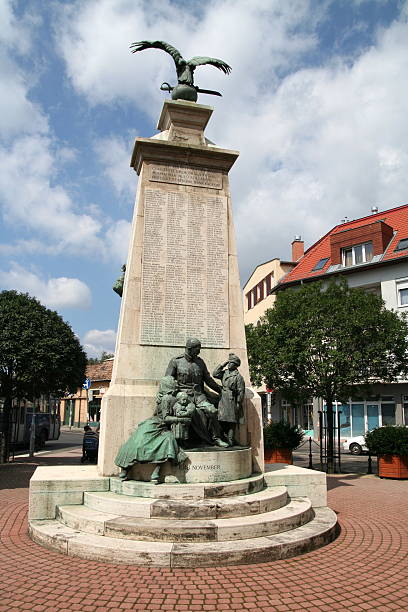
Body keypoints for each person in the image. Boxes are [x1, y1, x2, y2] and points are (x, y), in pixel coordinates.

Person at [114, 376, 187, 483]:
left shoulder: (169, 398)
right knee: (136, 444)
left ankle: (155, 473)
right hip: (155, 424)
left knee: (167, 442)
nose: (176, 384)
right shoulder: (166, 398)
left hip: (160, 427)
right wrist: (181, 419)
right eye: (173, 383)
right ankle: (126, 469)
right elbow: (165, 417)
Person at [165, 338, 228, 447]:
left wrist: (221, 389)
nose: (199, 351)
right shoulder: (176, 361)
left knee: (212, 411)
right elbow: (167, 381)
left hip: (199, 396)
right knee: (188, 412)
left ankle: (216, 438)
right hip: (183, 396)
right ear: (189, 349)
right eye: (197, 349)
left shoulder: (200, 362)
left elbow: (208, 380)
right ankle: (183, 441)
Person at [213, 353, 245, 446]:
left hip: (231, 399)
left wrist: (238, 403)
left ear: (235, 365)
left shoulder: (238, 377)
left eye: (231, 363)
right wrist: (223, 363)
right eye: (229, 362)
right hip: (223, 398)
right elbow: (215, 374)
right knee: (221, 418)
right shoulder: (225, 373)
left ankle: (230, 439)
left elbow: (241, 391)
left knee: (231, 420)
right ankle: (222, 436)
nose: (229, 364)